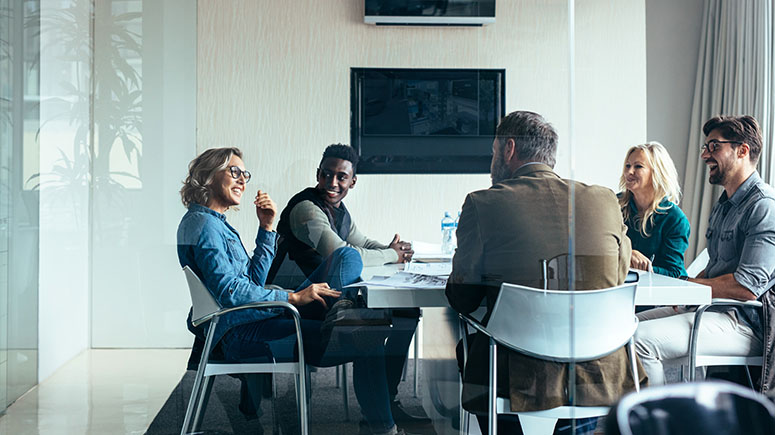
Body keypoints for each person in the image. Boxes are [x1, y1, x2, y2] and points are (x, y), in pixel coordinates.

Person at [176, 147, 415, 435]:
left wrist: (266, 228)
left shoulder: (212, 224)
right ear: (207, 176)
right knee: (368, 338)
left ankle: (342, 318)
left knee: (347, 260)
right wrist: (291, 297)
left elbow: (251, 281)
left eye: (244, 174)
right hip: (245, 334)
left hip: (252, 320)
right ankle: (383, 428)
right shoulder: (205, 226)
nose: (242, 180)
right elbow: (231, 292)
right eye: (234, 171)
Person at [446, 111, 644, 435]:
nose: (492, 160)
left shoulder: (483, 203)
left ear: (509, 149)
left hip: (518, 374)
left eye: (494, 152)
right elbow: (617, 275)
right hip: (600, 367)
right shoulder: (606, 199)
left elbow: (463, 297)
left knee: (469, 346)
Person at [269, 144, 428, 429]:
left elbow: (362, 242)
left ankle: (386, 400)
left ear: (352, 181)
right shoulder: (307, 208)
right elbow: (343, 252)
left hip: (326, 299)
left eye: (341, 177)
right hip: (294, 302)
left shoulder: (340, 210)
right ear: (317, 174)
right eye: (326, 175)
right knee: (364, 316)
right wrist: (392, 255)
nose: (332, 183)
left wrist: (394, 250)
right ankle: (380, 419)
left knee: (406, 310)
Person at [635, 115, 775, 389]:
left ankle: (656, 424)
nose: (704, 155)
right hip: (713, 310)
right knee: (621, 328)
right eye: (705, 147)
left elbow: (746, 287)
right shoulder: (723, 205)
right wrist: (685, 291)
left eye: (713, 147)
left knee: (640, 339)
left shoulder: (764, 207)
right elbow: (715, 268)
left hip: (745, 322)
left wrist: (687, 288)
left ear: (742, 150)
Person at [618, 142, 690, 277]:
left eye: (638, 166)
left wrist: (643, 267)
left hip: (654, 291)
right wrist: (628, 254)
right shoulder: (615, 205)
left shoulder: (675, 219)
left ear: (657, 173)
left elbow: (674, 272)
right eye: (627, 165)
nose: (629, 172)